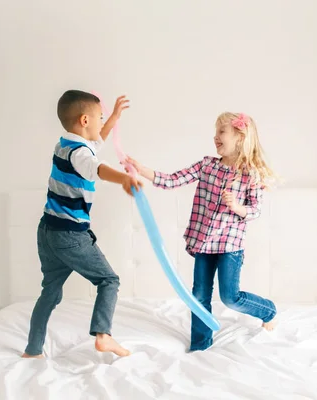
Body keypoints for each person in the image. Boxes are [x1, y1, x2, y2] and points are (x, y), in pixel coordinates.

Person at [126, 112, 277, 352]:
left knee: (230, 297)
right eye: (215, 132)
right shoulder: (207, 165)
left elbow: (255, 210)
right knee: (199, 295)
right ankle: (200, 344)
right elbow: (172, 180)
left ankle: (267, 311)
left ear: (239, 137)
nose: (215, 137)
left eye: (221, 132)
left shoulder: (251, 174)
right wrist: (141, 169)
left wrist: (237, 207)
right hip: (204, 243)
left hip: (230, 246)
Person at [22, 90, 141, 358]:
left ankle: (32, 350)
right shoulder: (80, 154)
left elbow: (95, 143)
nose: (102, 124)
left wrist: (112, 117)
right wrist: (123, 178)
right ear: (85, 121)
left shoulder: (65, 144)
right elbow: (95, 167)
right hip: (70, 235)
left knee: (51, 292)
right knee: (109, 280)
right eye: (99, 118)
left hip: (47, 231)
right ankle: (103, 335)